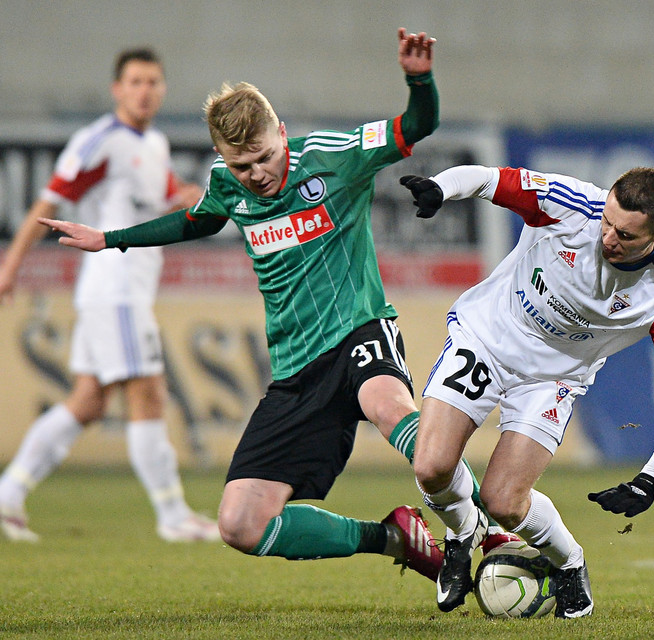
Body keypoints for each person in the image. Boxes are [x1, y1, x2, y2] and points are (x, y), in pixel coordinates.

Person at [37, 28, 505, 583]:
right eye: (241, 166)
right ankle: (393, 537)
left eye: (263, 157)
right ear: (222, 159)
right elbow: (197, 220)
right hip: (294, 370)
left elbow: (416, 125)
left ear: (281, 133)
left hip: (360, 330)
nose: (256, 174)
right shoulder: (226, 186)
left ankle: (489, 527)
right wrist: (111, 238)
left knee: (388, 405)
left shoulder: (335, 158)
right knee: (239, 523)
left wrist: (418, 78)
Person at [400, 164, 654, 617]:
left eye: (626, 235)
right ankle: (462, 533)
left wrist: (652, 477)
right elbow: (487, 179)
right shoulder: (571, 205)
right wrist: (441, 189)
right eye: (607, 221)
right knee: (431, 466)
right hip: (487, 338)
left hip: (552, 379)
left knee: (504, 501)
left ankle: (570, 564)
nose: (608, 238)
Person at [0, 48, 218, 543]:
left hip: (116, 293)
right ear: (117, 89)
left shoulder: (155, 143)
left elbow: (163, 193)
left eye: (153, 82)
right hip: (115, 289)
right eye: (135, 81)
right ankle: (172, 515)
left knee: (89, 401)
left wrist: (188, 194)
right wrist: (10, 266)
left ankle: (9, 492)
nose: (145, 90)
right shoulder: (99, 141)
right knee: (149, 394)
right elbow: (48, 201)